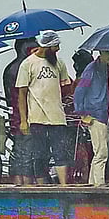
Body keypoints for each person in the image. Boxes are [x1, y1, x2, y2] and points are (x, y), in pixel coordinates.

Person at [16, 31, 73, 185]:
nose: (58, 49)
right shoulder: (28, 64)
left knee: (60, 152)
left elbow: (65, 85)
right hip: (37, 117)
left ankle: (63, 186)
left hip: (57, 117)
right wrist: (23, 120)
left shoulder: (59, 63)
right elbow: (22, 94)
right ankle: (42, 186)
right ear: (46, 47)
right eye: (55, 47)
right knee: (40, 154)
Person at [73, 50, 109, 186]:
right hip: (94, 114)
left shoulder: (104, 67)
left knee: (100, 152)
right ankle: (99, 185)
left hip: (103, 114)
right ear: (101, 52)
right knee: (101, 153)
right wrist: (82, 113)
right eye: (108, 53)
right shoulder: (91, 68)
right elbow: (79, 91)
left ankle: (93, 183)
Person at [3, 39, 38, 181]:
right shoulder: (26, 67)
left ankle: (18, 182)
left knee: (18, 151)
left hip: (15, 116)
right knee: (28, 153)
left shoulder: (9, 68)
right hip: (27, 116)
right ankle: (26, 185)